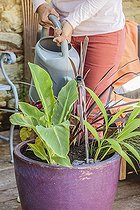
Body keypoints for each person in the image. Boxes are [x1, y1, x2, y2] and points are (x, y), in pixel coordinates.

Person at [33, 0, 126, 134]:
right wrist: (39, 4)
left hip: (101, 32)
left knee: (91, 114)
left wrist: (71, 22)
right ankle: (53, 154)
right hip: (60, 29)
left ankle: (89, 154)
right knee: (53, 109)